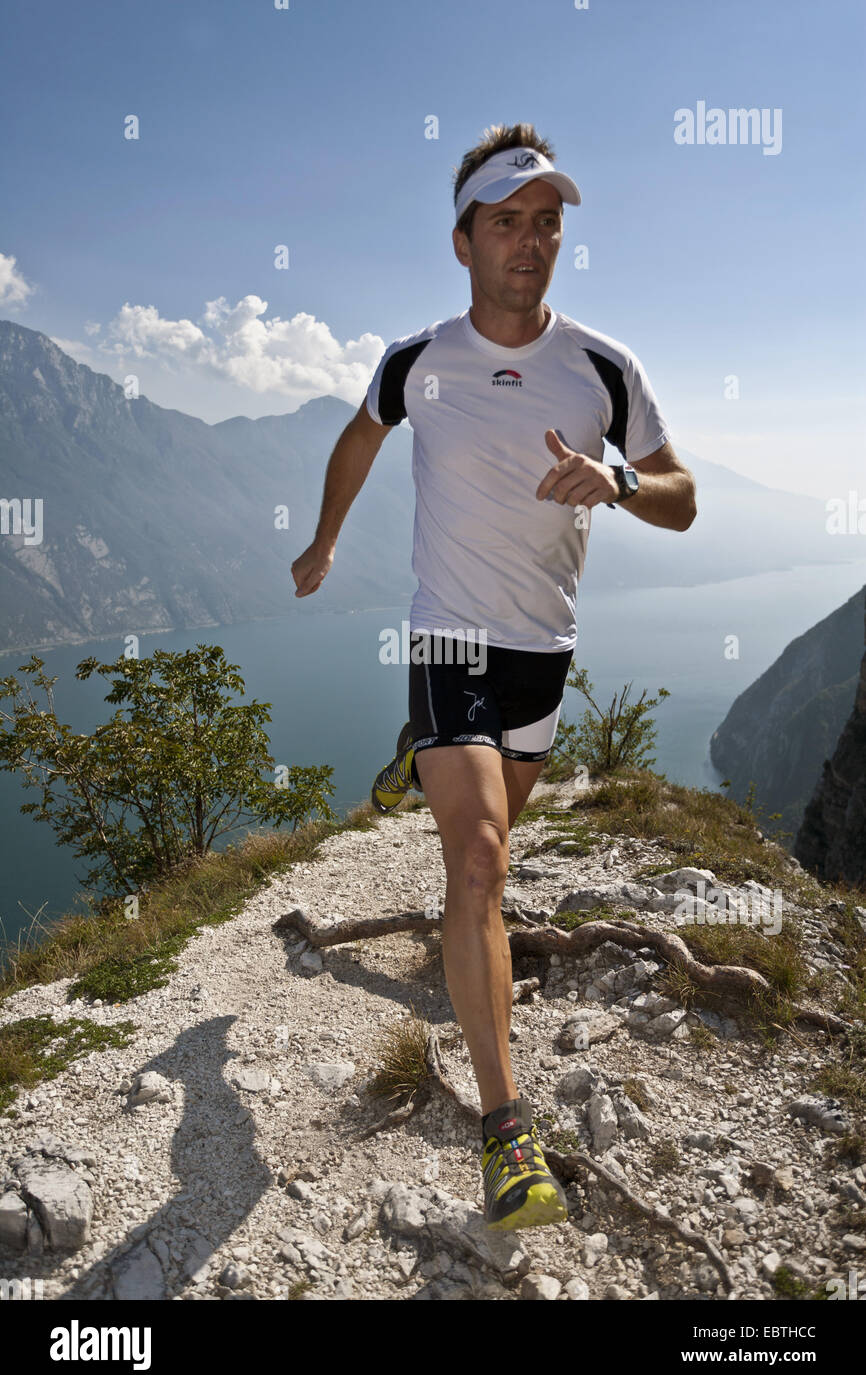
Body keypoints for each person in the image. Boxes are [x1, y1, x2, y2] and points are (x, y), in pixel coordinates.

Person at [291, 122, 697, 1232]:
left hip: (540, 655)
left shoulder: (605, 367)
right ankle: (505, 1130)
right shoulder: (415, 360)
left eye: (547, 222)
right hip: (448, 637)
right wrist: (325, 542)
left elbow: (682, 496)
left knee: (491, 850)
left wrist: (614, 480)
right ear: (461, 238)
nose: (531, 240)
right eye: (507, 221)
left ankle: (419, 766)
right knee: (476, 858)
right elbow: (356, 439)